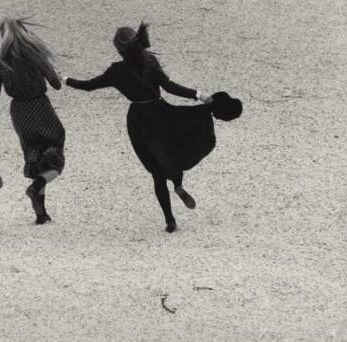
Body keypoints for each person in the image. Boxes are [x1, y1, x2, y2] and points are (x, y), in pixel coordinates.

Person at [65, 22, 242, 233]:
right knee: (174, 152)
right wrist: (198, 94)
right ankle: (177, 184)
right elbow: (169, 87)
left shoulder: (116, 71)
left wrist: (65, 79)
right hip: (161, 113)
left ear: (119, 49)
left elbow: (88, 86)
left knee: (155, 170)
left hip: (138, 120)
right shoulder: (150, 61)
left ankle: (169, 219)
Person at [0, 18, 65, 225]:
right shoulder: (36, 56)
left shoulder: (0, 62)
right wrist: (53, 73)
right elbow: (56, 85)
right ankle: (38, 185)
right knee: (55, 157)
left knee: (34, 158)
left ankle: (41, 214)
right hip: (41, 108)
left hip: (21, 114)